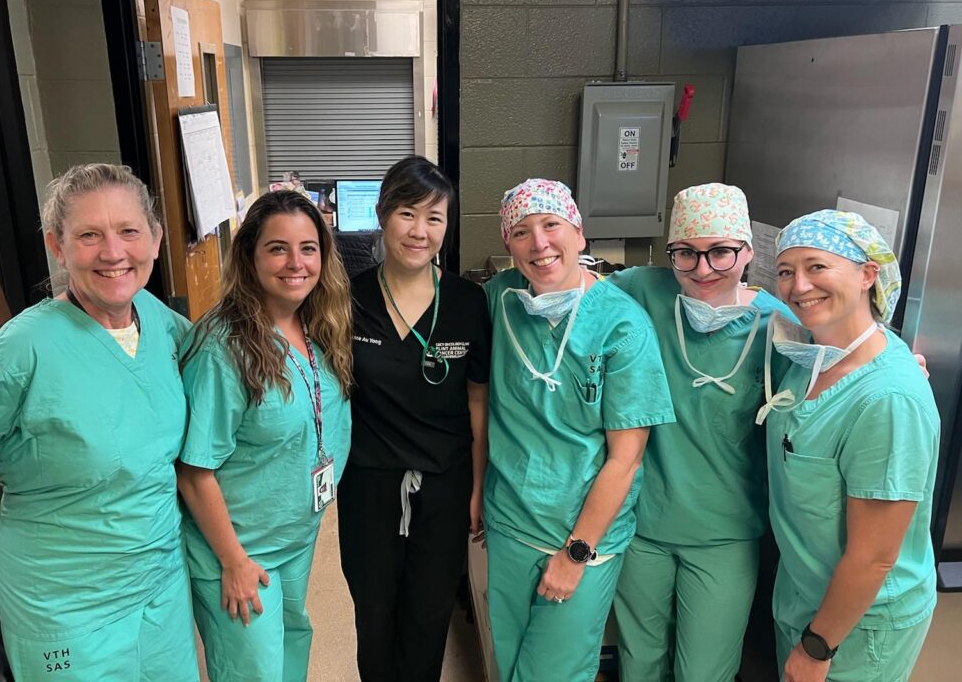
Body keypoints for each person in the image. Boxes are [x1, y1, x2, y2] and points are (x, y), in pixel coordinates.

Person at [0, 163, 199, 681]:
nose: (113, 252)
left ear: (155, 239)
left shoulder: (161, 322)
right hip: (64, 601)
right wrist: (5, 501)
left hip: (160, 585)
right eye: (89, 235)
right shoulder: (23, 348)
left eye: (129, 231)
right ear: (58, 247)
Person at [483, 178, 675, 682]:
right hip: (509, 523)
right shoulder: (499, 301)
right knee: (510, 663)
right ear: (508, 245)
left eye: (551, 225)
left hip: (581, 537)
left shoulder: (622, 325)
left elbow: (625, 458)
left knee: (556, 672)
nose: (539, 243)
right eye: (521, 232)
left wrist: (576, 553)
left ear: (579, 234)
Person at [610, 183, 794, 681]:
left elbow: (845, 348)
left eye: (721, 252)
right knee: (639, 659)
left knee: (706, 670)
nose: (703, 269)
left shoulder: (781, 326)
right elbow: (575, 294)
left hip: (725, 532)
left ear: (749, 252)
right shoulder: (644, 291)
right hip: (642, 525)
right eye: (686, 253)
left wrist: (897, 357)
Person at [176, 191, 354, 682]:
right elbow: (194, 472)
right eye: (278, 248)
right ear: (250, 256)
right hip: (238, 549)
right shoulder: (223, 347)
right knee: (253, 670)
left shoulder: (321, 325)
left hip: (295, 536)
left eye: (309, 248)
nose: (296, 263)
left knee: (292, 649)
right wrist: (233, 561)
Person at [758, 210, 938, 682]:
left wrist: (818, 647)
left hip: (857, 625)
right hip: (806, 596)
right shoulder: (810, 358)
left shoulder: (888, 398)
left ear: (867, 274)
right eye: (785, 271)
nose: (799, 286)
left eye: (817, 267)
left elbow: (873, 556)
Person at [338, 156, 491, 682]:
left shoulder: (469, 303)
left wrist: (477, 485)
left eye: (435, 217)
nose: (420, 231)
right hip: (368, 488)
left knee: (428, 619)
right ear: (382, 215)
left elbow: (477, 401)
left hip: (445, 487)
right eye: (407, 213)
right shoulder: (346, 300)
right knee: (374, 618)